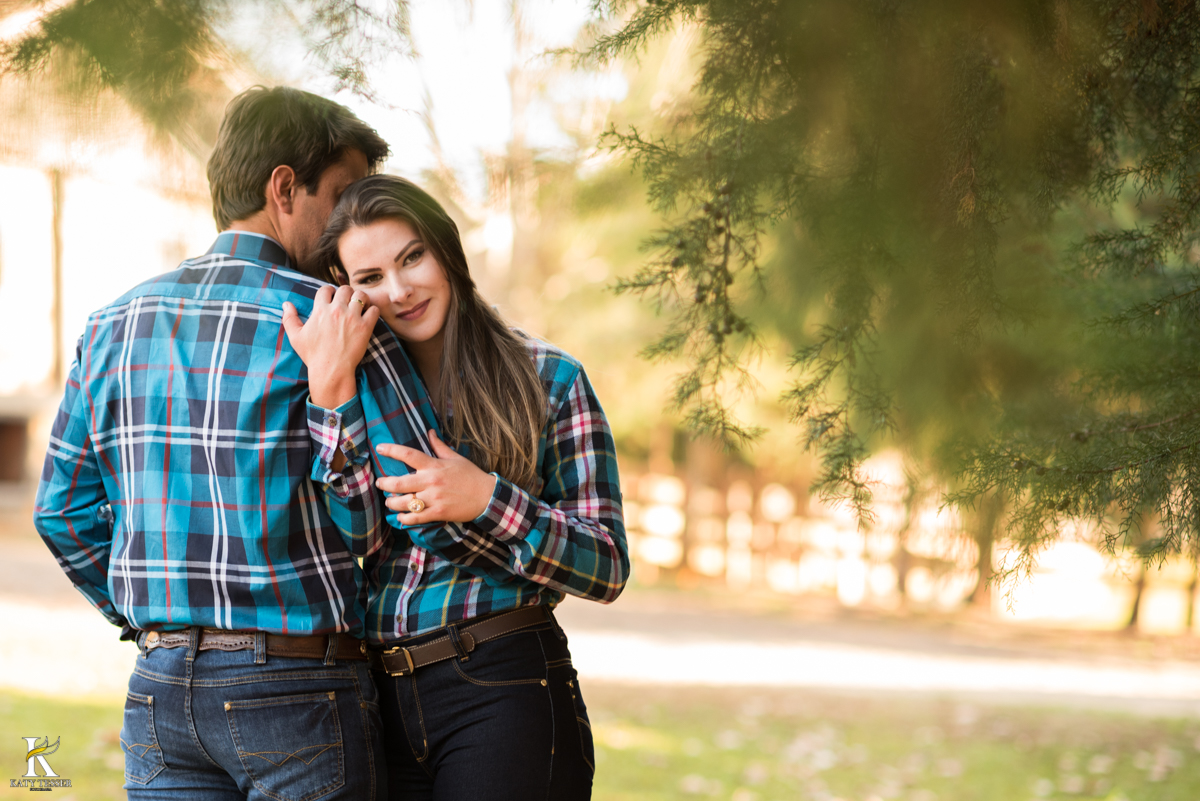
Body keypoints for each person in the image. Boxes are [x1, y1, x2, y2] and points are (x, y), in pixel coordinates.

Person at [32, 86, 425, 800]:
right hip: (299, 688)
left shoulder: (112, 324)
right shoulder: (335, 320)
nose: (351, 225)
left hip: (159, 689)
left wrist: (158, 617)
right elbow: (388, 521)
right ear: (284, 188)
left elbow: (61, 514)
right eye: (341, 197)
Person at [280, 174, 630, 800]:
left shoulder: (548, 378)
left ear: (446, 250)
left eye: (412, 258)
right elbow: (353, 530)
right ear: (347, 289)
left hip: (502, 685)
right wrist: (330, 391)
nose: (399, 289)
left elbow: (606, 564)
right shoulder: (354, 383)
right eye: (370, 278)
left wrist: (488, 500)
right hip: (376, 695)